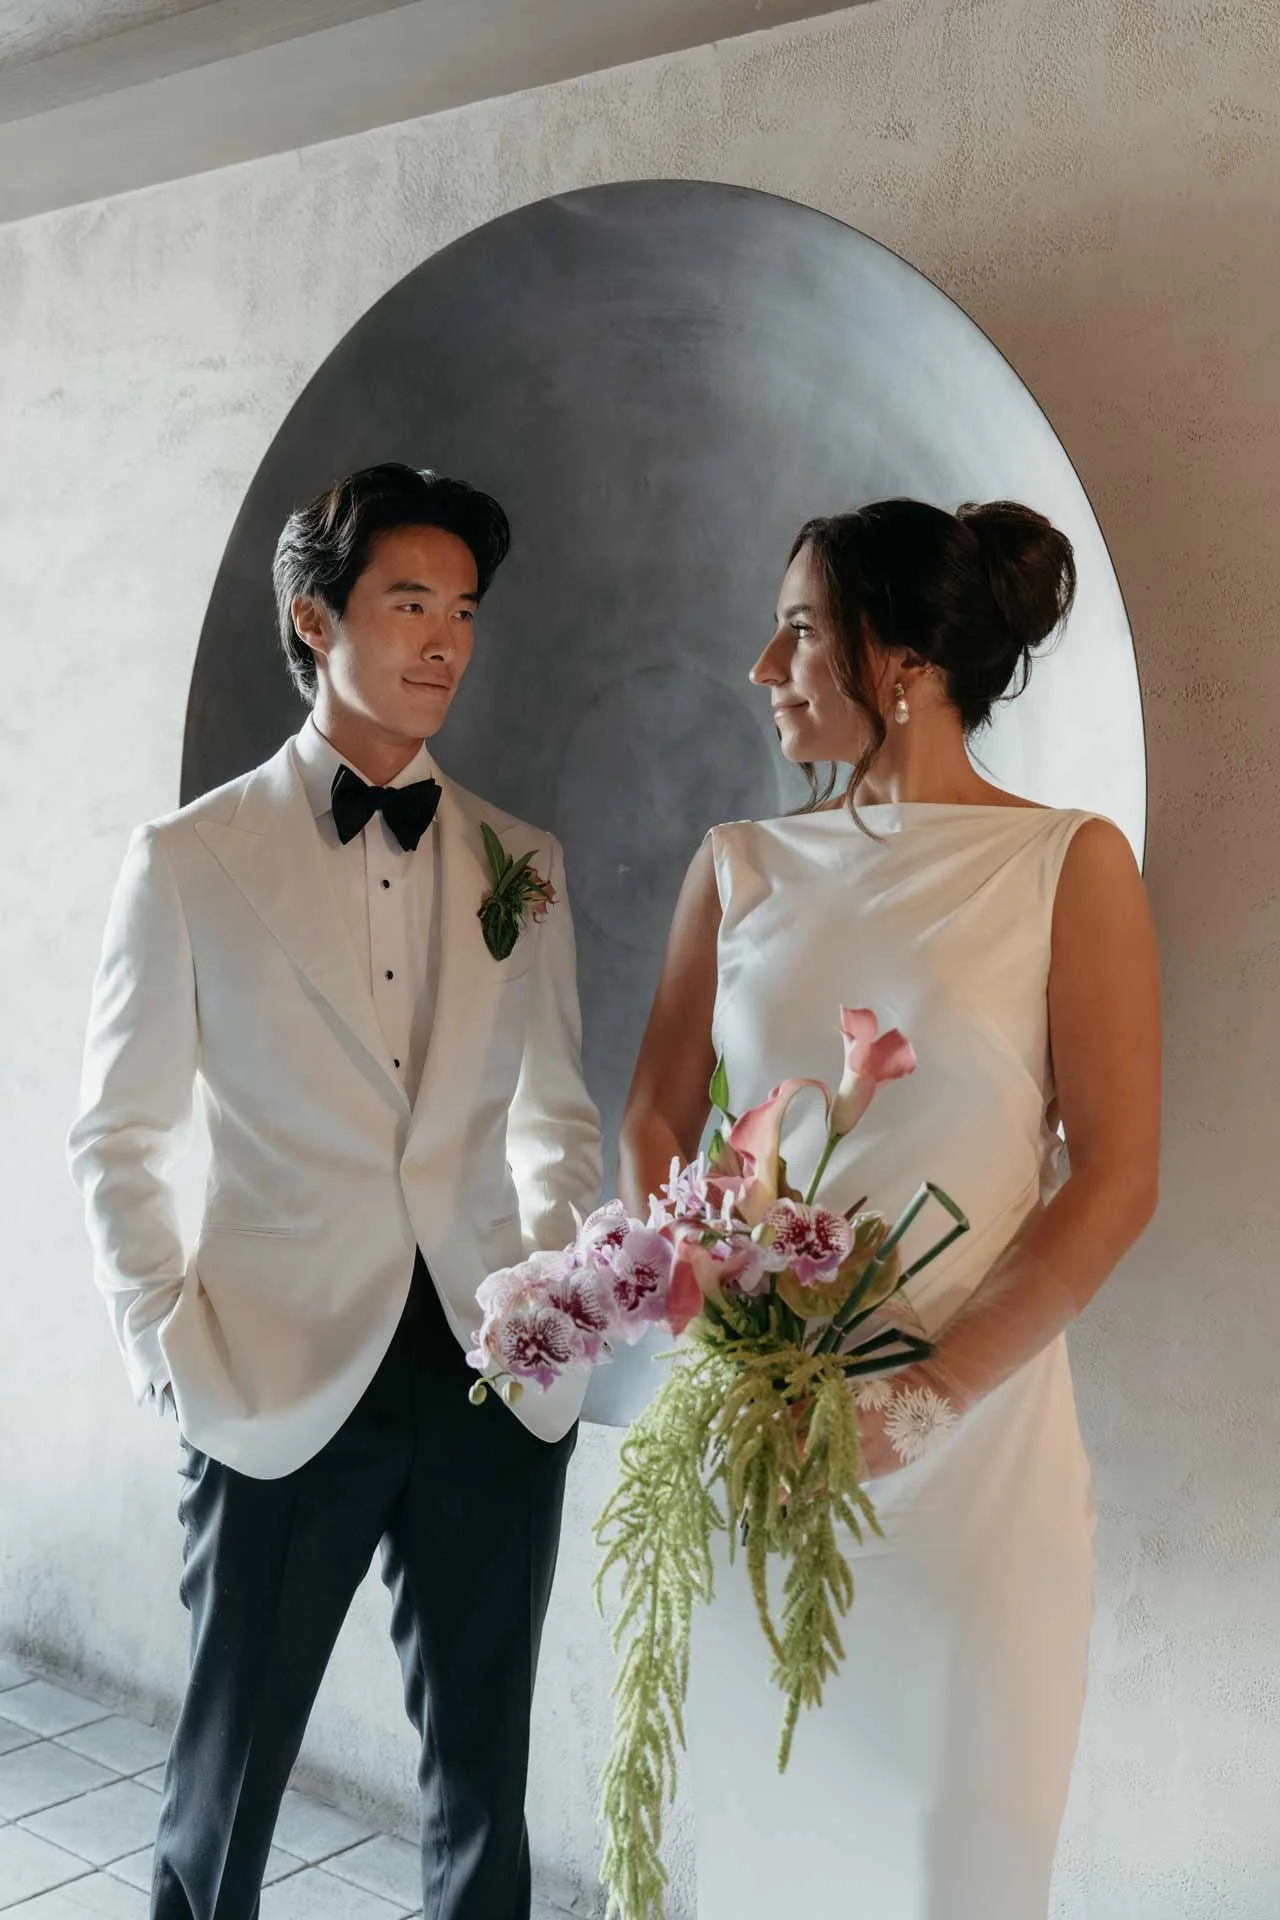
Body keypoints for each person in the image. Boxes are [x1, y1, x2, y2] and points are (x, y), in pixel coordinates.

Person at [68, 461, 603, 1920]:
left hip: (495, 1383)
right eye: (409, 602)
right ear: (317, 618)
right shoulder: (188, 859)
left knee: (485, 1790)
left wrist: (555, 1306)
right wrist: (167, 1351)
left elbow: (561, 1118)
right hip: (276, 1372)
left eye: (466, 611)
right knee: (227, 1783)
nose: (446, 640)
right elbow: (115, 1134)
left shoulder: (522, 863)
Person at [619, 497, 1160, 1919]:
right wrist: (710, 1324)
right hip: (759, 1459)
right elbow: (657, 1119)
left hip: (978, 1475)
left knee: (957, 1871)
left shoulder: (1066, 864)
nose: (763, 664)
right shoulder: (737, 862)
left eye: (799, 627)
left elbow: (1114, 1173)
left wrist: (924, 1397)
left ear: (902, 657)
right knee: (762, 1861)